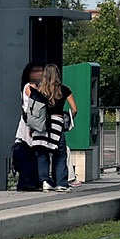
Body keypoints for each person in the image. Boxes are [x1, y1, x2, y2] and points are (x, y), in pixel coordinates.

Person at [25, 63, 77, 192]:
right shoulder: (64, 90)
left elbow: (33, 109)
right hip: (57, 124)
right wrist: (68, 120)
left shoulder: (39, 90)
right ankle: (61, 183)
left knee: (42, 152)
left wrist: (32, 128)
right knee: (60, 153)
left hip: (41, 123)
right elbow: (75, 109)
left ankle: (45, 182)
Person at [13, 62, 44, 191]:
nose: (40, 73)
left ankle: (31, 181)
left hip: (30, 124)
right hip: (29, 125)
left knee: (32, 153)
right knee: (30, 153)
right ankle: (30, 182)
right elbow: (31, 107)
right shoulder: (29, 87)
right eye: (36, 71)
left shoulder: (30, 87)